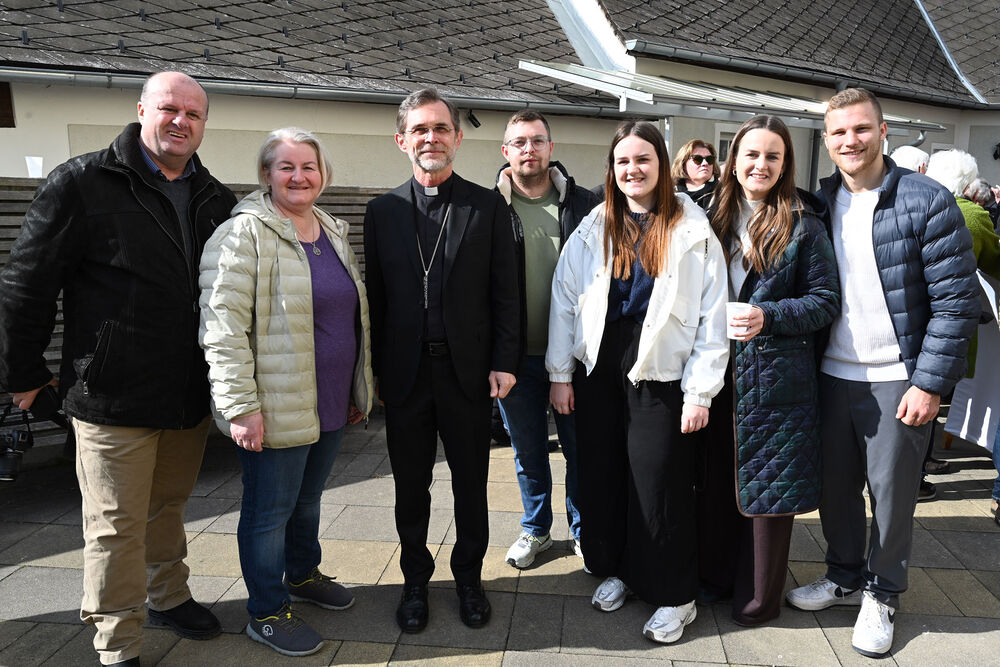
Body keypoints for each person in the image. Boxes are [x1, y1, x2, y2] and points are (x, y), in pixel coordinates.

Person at [0, 72, 235, 666]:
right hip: (111, 393)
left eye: (194, 114)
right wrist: (22, 373)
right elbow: (26, 283)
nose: (181, 121)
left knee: (168, 507)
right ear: (141, 110)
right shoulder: (82, 182)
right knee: (115, 525)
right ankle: (117, 640)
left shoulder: (215, 197)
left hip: (186, 392)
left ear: (204, 124)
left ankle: (168, 596)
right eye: (169, 108)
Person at [785, 88, 979, 658]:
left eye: (861, 129)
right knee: (835, 490)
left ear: (883, 130)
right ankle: (844, 576)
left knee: (892, 497)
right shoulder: (818, 204)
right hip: (830, 374)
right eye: (839, 132)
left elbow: (955, 301)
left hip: (898, 376)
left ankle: (883, 592)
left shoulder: (927, 200)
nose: (851, 141)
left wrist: (929, 383)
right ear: (827, 141)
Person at [547, 120, 728, 644]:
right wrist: (560, 374)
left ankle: (676, 594)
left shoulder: (692, 228)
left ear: (662, 165)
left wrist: (700, 392)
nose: (633, 169)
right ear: (612, 168)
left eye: (643, 159)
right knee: (605, 475)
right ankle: (622, 569)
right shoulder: (595, 224)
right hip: (600, 365)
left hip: (661, 371)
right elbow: (564, 299)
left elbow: (713, 315)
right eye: (623, 161)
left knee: (659, 483)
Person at [199, 128, 373, 657]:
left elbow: (348, 317)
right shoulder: (242, 234)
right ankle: (266, 611)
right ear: (266, 174)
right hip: (273, 405)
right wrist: (240, 407)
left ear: (323, 174)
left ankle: (301, 574)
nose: (299, 177)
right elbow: (222, 329)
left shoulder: (331, 229)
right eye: (286, 167)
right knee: (268, 512)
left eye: (308, 167)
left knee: (308, 499)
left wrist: (356, 387)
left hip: (328, 399)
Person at [363, 88, 520, 633]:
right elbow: (376, 300)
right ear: (402, 140)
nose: (431, 138)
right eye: (420, 130)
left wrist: (504, 360)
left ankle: (469, 578)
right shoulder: (382, 212)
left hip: (467, 373)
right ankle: (414, 582)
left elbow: (506, 292)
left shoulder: (487, 206)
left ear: (456, 137)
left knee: (470, 484)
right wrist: (376, 372)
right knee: (411, 486)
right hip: (406, 374)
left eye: (441, 129)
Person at [698, 115, 840, 626]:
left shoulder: (804, 224)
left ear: (785, 164)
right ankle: (714, 579)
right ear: (732, 160)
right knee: (716, 483)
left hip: (775, 381)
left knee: (769, 493)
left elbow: (826, 301)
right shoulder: (707, 216)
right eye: (751, 154)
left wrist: (768, 316)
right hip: (714, 374)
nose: (761, 164)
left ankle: (758, 598)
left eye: (772, 156)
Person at [494, 109, 599, 569]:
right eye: (519, 142)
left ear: (550, 148)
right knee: (528, 452)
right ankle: (536, 528)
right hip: (514, 358)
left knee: (580, 450)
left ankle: (583, 529)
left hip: (574, 356)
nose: (529, 149)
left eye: (537, 141)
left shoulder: (584, 204)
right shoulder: (490, 208)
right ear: (506, 151)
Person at [670, 139, 720, 210]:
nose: (705, 163)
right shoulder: (669, 193)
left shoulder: (723, 193)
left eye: (710, 159)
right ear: (683, 164)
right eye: (697, 159)